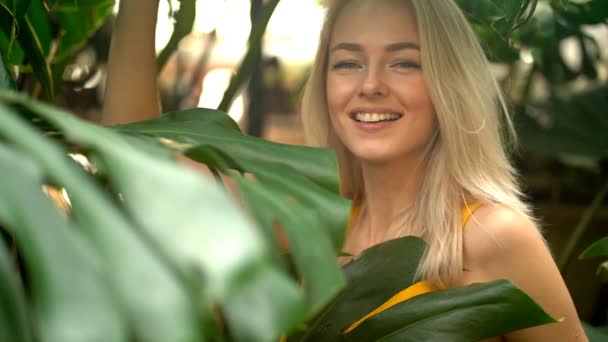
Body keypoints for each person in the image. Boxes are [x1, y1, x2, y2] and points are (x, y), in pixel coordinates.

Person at [102, 0, 587, 340]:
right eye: (348, 63)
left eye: (403, 63)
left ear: (447, 83)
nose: (370, 85)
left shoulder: (491, 236)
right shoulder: (310, 219)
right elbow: (142, 161)